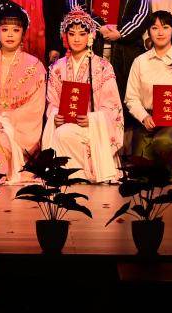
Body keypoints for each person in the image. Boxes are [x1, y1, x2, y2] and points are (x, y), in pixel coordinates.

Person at [41, 9, 123, 184]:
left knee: (64, 134)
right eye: (71, 34)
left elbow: (112, 105)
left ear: (90, 36)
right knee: (62, 133)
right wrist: (55, 115)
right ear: (65, 36)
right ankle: (75, 173)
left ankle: (86, 173)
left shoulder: (103, 66)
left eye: (82, 34)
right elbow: (52, 102)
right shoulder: (56, 68)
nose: (76, 39)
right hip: (66, 124)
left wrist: (92, 119)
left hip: (92, 127)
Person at [0, 2, 47, 183]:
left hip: (20, 130)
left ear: (23, 33)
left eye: (16, 30)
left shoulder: (35, 66)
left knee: (0, 141)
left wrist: (6, 123)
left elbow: (35, 109)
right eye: (5, 30)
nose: (10, 35)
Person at [124, 11, 172, 183]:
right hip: (149, 122)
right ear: (149, 32)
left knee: (164, 142)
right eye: (155, 28)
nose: (160, 32)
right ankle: (161, 164)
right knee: (140, 173)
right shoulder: (140, 62)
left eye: (165, 27)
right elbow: (131, 98)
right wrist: (144, 117)